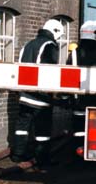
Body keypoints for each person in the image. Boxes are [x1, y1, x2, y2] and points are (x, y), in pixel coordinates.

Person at [10, 18, 63, 166]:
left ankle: (18, 155)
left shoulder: (28, 44)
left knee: (22, 126)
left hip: (24, 95)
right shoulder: (50, 45)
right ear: (55, 31)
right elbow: (50, 71)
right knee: (42, 130)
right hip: (41, 97)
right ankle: (42, 159)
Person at [67, 21, 96, 155]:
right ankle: (93, 155)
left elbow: (67, 78)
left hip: (78, 101)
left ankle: (78, 152)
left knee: (78, 129)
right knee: (95, 129)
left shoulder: (73, 54)